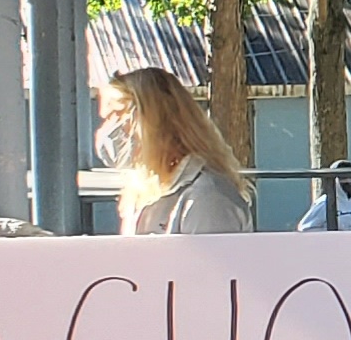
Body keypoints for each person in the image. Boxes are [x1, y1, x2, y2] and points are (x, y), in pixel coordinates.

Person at [100, 66, 257, 235]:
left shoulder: (207, 198)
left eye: (119, 115)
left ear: (155, 119)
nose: (112, 129)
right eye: (108, 119)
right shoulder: (142, 191)